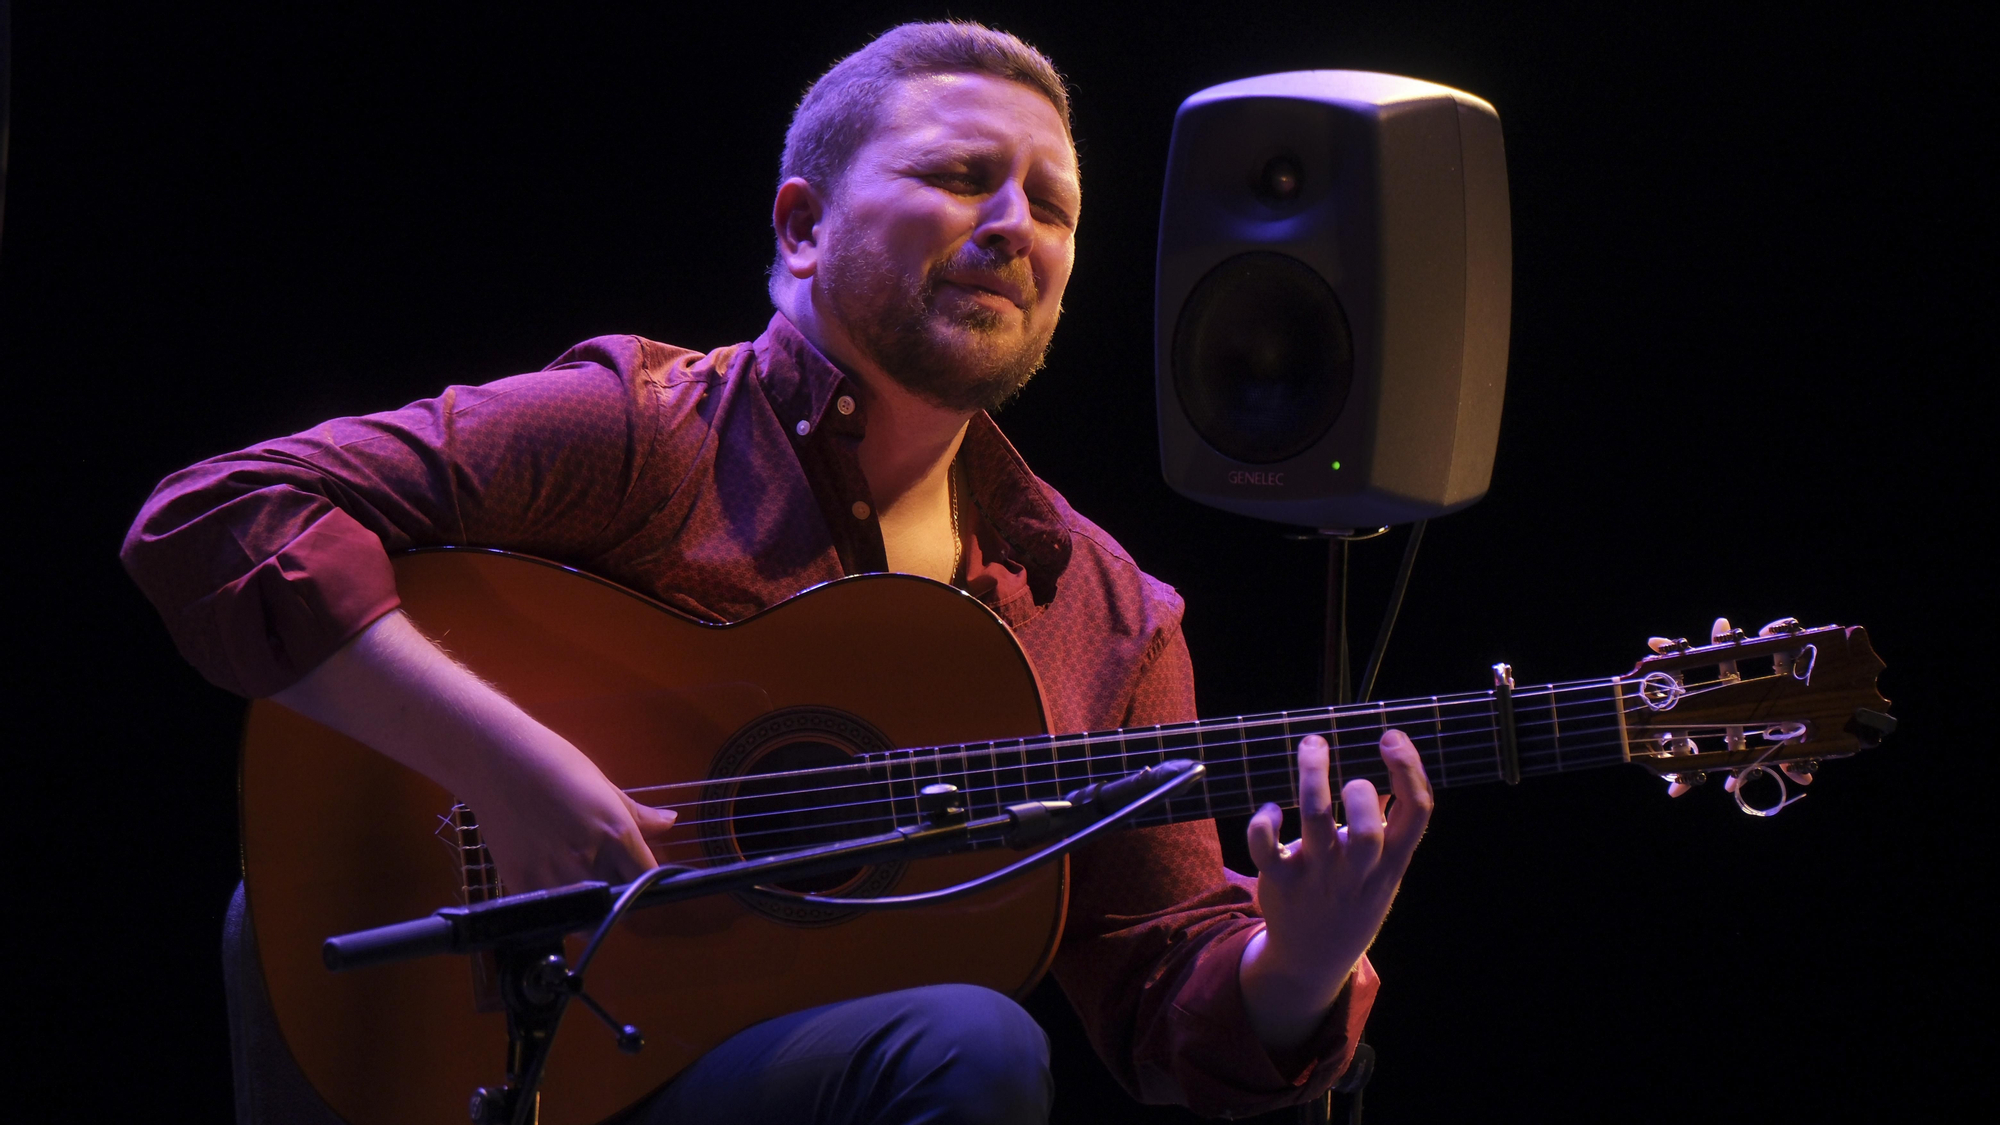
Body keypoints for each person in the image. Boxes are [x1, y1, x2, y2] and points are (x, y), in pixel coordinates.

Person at [122, 21, 1432, 1125]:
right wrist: (502, 760)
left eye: (1053, 202)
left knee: (970, 1044)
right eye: (964, 173)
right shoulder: (644, 433)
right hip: (470, 1037)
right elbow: (221, 513)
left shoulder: (1102, 608)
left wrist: (1297, 962)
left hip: (754, 1080)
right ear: (802, 226)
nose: (1012, 224)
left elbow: (1162, 996)